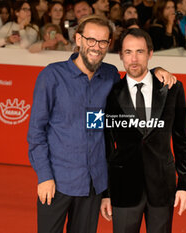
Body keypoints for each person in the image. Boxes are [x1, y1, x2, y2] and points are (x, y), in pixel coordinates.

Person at [27, 15, 177, 233]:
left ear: (108, 45)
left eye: (103, 42)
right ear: (78, 39)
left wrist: (156, 71)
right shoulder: (52, 76)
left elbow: (136, 78)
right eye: (91, 40)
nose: (96, 47)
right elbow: (36, 133)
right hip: (57, 182)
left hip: (93, 186)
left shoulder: (110, 77)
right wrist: (44, 176)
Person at [100, 28, 186, 233]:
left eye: (140, 52)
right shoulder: (110, 94)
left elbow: (182, 140)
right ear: (121, 55)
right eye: (128, 52)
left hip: (162, 187)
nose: (134, 59)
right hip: (123, 189)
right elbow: (105, 146)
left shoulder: (172, 89)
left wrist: (185, 185)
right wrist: (105, 192)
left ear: (150, 54)